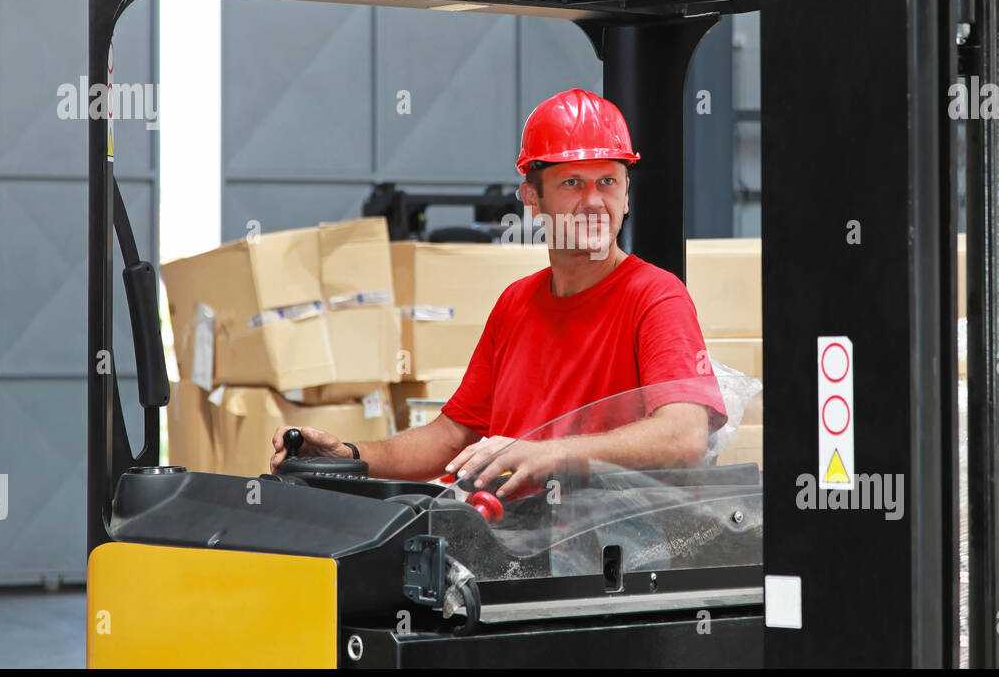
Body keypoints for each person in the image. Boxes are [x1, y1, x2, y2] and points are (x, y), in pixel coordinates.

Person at [270, 88, 725, 498]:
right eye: (572, 183)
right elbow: (451, 437)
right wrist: (349, 457)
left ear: (627, 195)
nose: (593, 201)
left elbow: (683, 437)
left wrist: (548, 454)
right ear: (532, 196)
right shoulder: (516, 303)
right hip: (506, 542)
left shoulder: (655, 296)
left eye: (608, 181)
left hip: (599, 552)